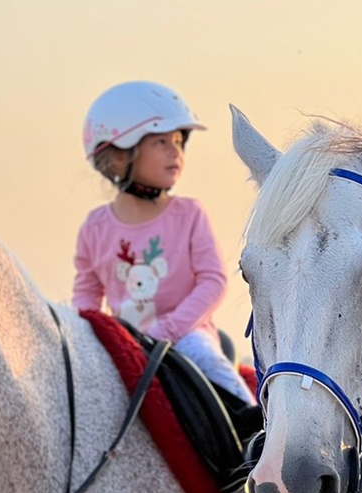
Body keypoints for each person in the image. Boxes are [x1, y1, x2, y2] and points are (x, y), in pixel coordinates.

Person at [73, 80, 255, 405]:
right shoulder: (95, 227)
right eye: (161, 141)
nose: (176, 152)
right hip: (125, 342)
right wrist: (90, 339)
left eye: (178, 141)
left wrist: (169, 329)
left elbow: (212, 282)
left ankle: (257, 433)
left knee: (210, 362)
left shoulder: (188, 214)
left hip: (188, 336)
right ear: (120, 153)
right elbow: (87, 296)